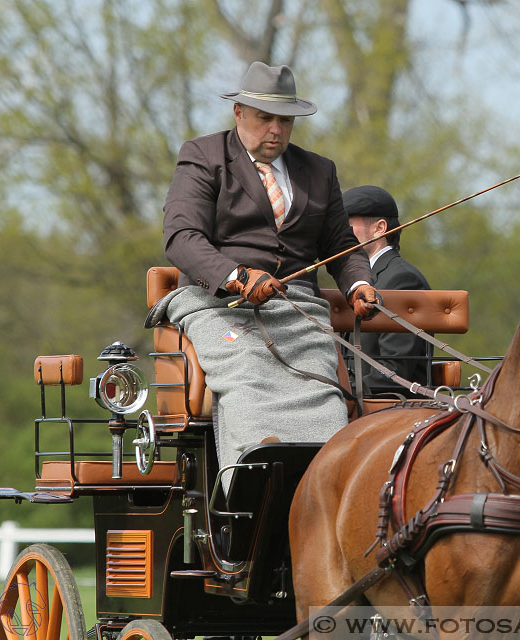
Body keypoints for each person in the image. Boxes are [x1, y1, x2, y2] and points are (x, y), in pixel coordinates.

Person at [159, 61, 379, 476]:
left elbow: (342, 247)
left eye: (285, 120)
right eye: (265, 118)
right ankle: (252, 480)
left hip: (298, 312)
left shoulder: (320, 170)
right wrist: (237, 276)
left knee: (321, 390)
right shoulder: (204, 156)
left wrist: (359, 285)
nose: (276, 129)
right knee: (247, 376)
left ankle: (320, 480)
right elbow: (181, 237)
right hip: (220, 307)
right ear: (239, 113)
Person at [344, 186, 432, 395]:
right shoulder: (359, 280)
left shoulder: (401, 280)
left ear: (380, 228)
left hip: (386, 408)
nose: (339, 236)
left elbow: (395, 372)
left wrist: (342, 392)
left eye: (347, 226)